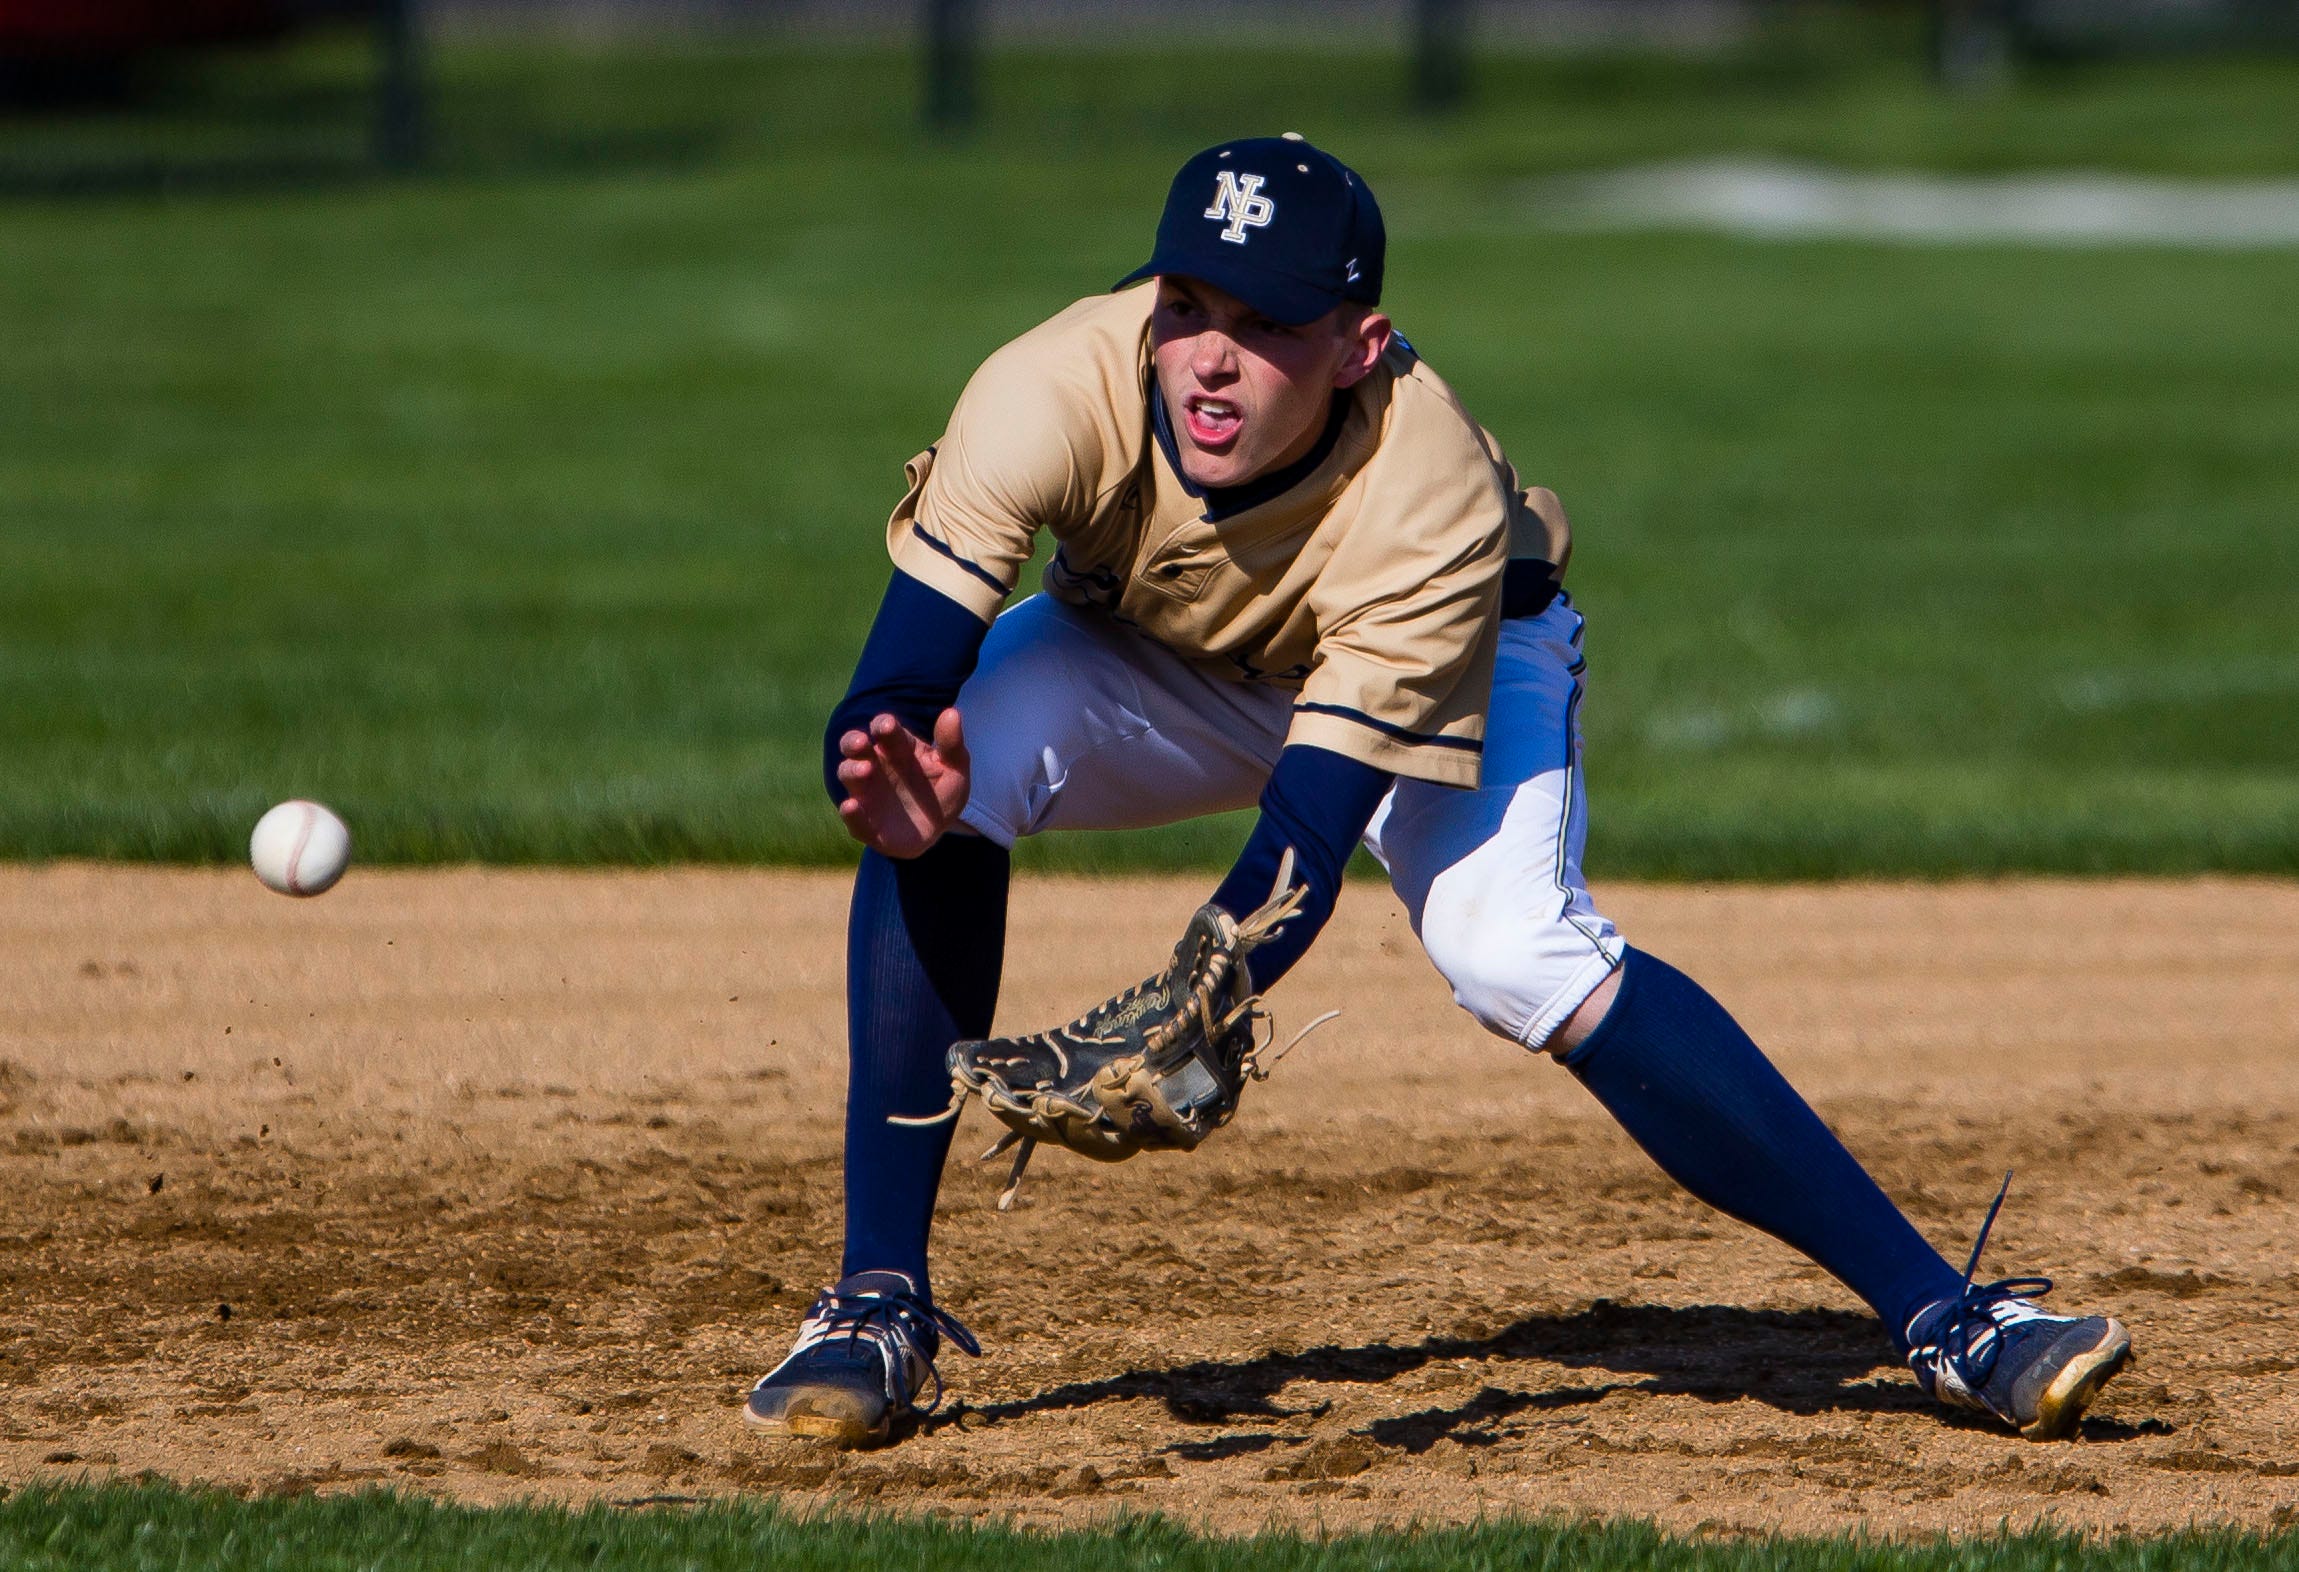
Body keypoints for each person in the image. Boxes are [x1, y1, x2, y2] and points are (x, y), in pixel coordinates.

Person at [741, 136, 2132, 1451]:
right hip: (1163, 654)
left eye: (1272, 326)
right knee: (965, 762)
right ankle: (876, 1305)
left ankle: (1949, 1316)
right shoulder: (1048, 390)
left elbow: (1309, 828)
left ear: (1361, 345)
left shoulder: (1430, 488)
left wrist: (1204, 983)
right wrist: (882, 782)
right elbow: (892, 688)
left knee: (1511, 948)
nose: (1212, 362)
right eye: (1190, 307)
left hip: (1458, 657)